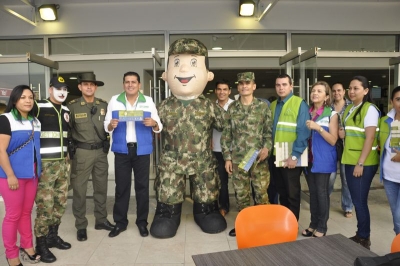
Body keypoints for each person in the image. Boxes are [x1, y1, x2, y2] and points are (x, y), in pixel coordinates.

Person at [150, 38, 226, 238]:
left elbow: (226, 125)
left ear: (208, 75)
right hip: (171, 161)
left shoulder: (209, 106)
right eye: (176, 63)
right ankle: (168, 213)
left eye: (193, 63)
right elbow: (153, 128)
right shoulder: (164, 106)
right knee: (168, 189)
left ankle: (206, 210)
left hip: (202, 160)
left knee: (206, 188)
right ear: (165, 75)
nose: (183, 70)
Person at [104, 71, 162, 238]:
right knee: (121, 188)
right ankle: (120, 223)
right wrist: (110, 126)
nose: (130, 85)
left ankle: (142, 222)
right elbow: (106, 124)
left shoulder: (148, 101)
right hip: (122, 150)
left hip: (142, 150)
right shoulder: (115, 100)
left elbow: (159, 125)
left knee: (142, 188)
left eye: (133, 82)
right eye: (127, 82)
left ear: (139, 85)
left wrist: (154, 123)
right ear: (123, 84)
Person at [221, 72, 272, 237]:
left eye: (247, 83)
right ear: (238, 87)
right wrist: (227, 158)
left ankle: (263, 225)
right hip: (238, 159)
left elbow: (268, 132)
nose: (244, 86)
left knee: (261, 192)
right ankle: (244, 225)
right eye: (241, 83)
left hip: (258, 159)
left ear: (254, 86)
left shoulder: (263, 107)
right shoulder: (232, 108)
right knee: (241, 194)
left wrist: (267, 148)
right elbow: (226, 134)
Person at [67, 73, 115, 242]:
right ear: (80, 87)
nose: (89, 87)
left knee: (101, 188)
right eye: (85, 84)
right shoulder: (72, 107)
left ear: (96, 87)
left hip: (101, 153)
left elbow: (109, 126)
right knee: (79, 190)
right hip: (82, 153)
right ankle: (81, 225)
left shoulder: (104, 105)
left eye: (92, 85)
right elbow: (68, 132)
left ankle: (101, 220)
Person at [0, 85, 41, 266]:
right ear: (15, 100)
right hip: (11, 176)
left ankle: (27, 246)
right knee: (13, 215)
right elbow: (0, 149)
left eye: (30, 97)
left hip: (31, 174)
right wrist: (10, 175)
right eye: (23, 97)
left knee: (26, 212)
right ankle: (11, 254)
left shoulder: (35, 121)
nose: (27, 100)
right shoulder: (6, 119)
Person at [33, 76, 71, 263]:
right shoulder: (38, 106)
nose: (62, 91)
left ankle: (52, 236)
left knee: (60, 202)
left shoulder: (66, 109)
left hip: (63, 164)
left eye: (64, 88)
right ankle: (40, 244)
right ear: (50, 89)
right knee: (45, 206)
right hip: (46, 165)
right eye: (58, 88)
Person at [340, 75, 379, 249]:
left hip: (363, 163)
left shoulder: (369, 109)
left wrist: (360, 163)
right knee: (357, 200)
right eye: (350, 88)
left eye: (356, 88)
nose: (352, 91)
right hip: (349, 159)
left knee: (359, 201)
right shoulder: (350, 109)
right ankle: (360, 233)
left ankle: (364, 238)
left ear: (366, 90)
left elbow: (370, 138)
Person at [270, 74, 310, 220]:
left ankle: (292, 223)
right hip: (276, 155)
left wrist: (294, 156)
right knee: (281, 191)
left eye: (284, 84)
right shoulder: (274, 105)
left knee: (292, 192)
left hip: (291, 156)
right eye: (278, 85)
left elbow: (303, 132)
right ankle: (284, 221)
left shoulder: (299, 103)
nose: (281, 88)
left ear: (291, 86)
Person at [302, 81, 338, 238]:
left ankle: (322, 226)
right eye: (313, 90)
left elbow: (333, 140)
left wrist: (319, 128)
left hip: (324, 159)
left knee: (321, 193)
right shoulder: (307, 112)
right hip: (309, 159)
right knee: (313, 193)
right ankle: (313, 224)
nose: (315, 93)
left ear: (326, 97)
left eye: (319, 91)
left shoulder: (332, 114)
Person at [329, 82, 354, 218]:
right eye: (334, 91)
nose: (336, 93)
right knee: (330, 177)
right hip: (331, 145)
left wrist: (346, 132)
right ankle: (324, 201)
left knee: (346, 178)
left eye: (339, 90)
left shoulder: (351, 107)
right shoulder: (328, 107)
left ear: (344, 91)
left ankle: (348, 206)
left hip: (346, 146)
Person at [379, 86, 400, 235]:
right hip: (389, 177)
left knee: (399, 216)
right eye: (398, 99)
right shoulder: (386, 120)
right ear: (392, 101)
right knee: (396, 217)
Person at [212, 79, 234, 217]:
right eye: (219, 89)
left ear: (229, 91)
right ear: (215, 91)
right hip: (217, 149)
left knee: (240, 180)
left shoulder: (235, 106)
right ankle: (223, 206)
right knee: (221, 180)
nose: (222, 92)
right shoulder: (211, 107)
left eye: (225, 89)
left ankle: (245, 207)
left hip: (235, 149)